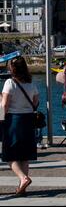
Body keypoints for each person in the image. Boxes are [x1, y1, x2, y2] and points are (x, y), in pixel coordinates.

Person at [1, 56, 39, 195]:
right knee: (24, 155)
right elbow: (35, 103)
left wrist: (0, 119)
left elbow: (4, 105)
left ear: (13, 69)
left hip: (13, 120)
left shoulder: (9, 83)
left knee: (9, 155)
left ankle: (23, 178)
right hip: (28, 120)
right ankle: (22, 188)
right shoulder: (31, 83)